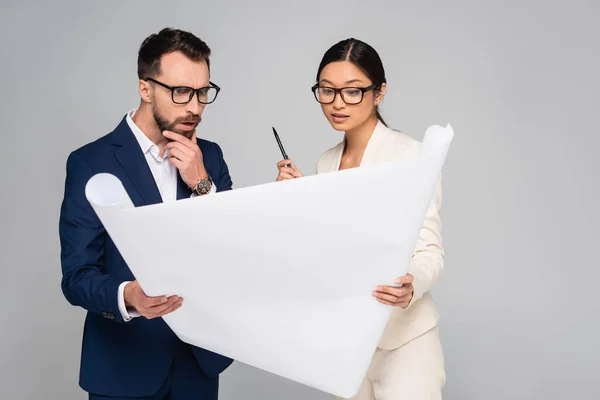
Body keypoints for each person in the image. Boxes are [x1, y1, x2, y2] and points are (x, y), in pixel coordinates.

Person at [59, 28, 234, 399]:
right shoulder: (91, 162)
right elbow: (76, 275)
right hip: (124, 366)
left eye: (203, 92)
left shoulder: (211, 157)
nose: (195, 106)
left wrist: (202, 183)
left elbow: (231, 253)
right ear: (145, 88)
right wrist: (129, 296)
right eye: (181, 92)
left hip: (197, 363)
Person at [276, 38, 446, 400]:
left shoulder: (411, 156)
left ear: (379, 92)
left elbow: (430, 249)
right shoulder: (326, 163)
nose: (337, 103)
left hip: (404, 339)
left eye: (352, 91)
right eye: (327, 90)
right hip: (349, 341)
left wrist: (411, 284)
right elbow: (331, 250)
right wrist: (295, 201)